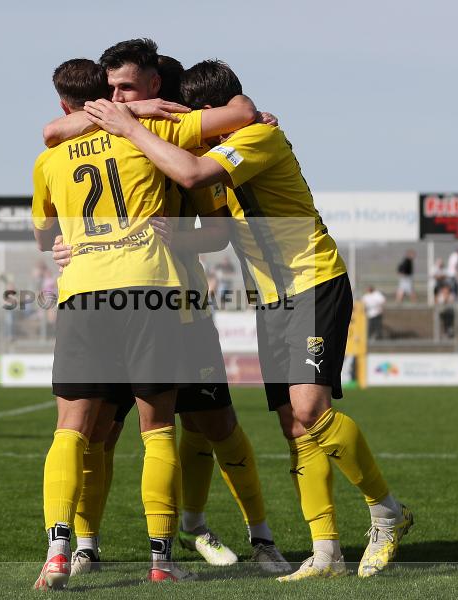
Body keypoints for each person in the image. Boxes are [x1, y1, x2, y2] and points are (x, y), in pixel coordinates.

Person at [84, 59, 412, 580]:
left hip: (312, 280)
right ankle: (325, 552)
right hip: (271, 299)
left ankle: (386, 511)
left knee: (310, 408)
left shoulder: (258, 137)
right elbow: (213, 229)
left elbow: (193, 170)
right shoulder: (224, 144)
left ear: (214, 111)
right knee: (294, 427)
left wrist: (129, 125)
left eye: (199, 117)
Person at [44, 42, 288, 576]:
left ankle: (258, 537)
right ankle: (87, 544)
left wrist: (177, 239)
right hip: (133, 301)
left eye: (124, 90)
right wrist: (61, 242)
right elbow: (52, 136)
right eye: (108, 91)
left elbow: (217, 234)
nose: (111, 100)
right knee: (102, 433)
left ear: (161, 93)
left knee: (214, 425)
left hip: (179, 305)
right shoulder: (96, 128)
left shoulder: (176, 137)